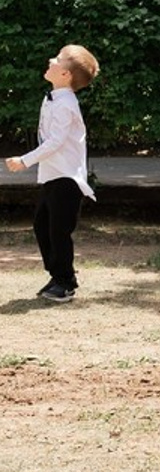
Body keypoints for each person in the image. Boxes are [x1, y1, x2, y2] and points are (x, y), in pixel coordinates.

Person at [5, 45, 101, 302]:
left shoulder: (65, 103)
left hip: (66, 177)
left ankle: (65, 282)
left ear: (65, 75)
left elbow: (56, 141)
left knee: (58, 230)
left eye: (57, 60)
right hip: (53, 175)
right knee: (42, 226)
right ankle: (57, 275)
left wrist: (24, 161)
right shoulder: (55, 98)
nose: (50, 60)